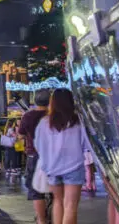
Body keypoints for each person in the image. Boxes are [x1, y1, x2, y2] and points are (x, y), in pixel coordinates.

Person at [34, 89, 89, 224]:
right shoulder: (78, 121)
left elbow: (39, 146)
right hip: (74, 167)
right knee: (70, 206)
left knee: (58, 202)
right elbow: (86, 145)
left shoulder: (45, 122)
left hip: (52, 168)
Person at [19, 90, 50, 224]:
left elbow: (20, 136)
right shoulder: (53, 115)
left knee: (36, 190)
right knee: (55, 188)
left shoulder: (28, 116)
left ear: (34, 100)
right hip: (54, 156)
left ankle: (41, 220)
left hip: (34, 155)